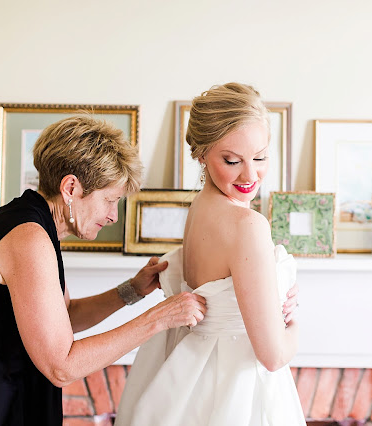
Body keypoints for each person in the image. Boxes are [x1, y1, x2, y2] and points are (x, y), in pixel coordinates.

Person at [0, 116, 208, 425]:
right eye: (110, 200)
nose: (113, 216)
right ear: (70, 188)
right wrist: (160, 318)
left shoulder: (32, 224)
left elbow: (62, 319)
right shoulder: (27, 238)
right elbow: (61, 365)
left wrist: (133, 291)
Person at [116, 82, 305, 425]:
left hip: (196, 379)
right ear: (200, 154)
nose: (251, 175)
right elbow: (274, 355)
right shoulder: (246, 224)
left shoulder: (200, 208)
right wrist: (292, 324)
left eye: (260, 157)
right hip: (238, 392)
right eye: (232, 160)